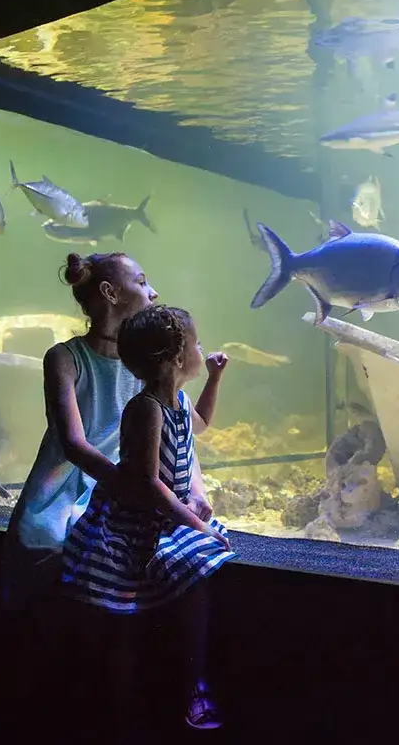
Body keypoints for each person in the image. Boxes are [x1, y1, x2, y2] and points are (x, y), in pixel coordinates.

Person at [60, 304, 236, 732]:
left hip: (164, 515)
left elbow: (202, 425)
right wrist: (193, 523)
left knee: (140, 619)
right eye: (195, 344)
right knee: (124, 618)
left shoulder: (177, 399)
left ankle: (172, 686)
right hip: (135, 522)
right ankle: (146, 699)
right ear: (176, 357)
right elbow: (148, 484)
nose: (201, 349)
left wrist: (214, 379)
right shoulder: (146, 409)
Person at [0, 252, 159, 611]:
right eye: (143, 282)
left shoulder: (145, 365)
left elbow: (183, 427)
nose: (154, 292)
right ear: (110, 292)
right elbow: (73, 444)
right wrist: (131, 489)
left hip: (115, 497)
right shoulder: (64, 358)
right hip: (57, 499)